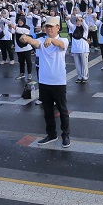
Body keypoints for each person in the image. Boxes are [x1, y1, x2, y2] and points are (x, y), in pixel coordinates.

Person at [19, 16, 70, 147]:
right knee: (47, 111)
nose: (48, 29)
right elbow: (35, 42)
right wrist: (26, 38)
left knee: (62, 110)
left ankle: (65, 135)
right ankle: (51, 134)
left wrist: (51, 40)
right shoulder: (41, 40)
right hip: (44, 81)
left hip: (58, 81)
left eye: (51, 27)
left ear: (58, 27)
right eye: (46, 26)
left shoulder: (63, 39)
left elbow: (62, 45)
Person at [68, 15, 90, 83]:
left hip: (83, 49)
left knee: (84, 64)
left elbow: (85, 25)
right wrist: (67, 19)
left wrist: (82, 20)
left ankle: (85, 76)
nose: (78, 23)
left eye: (79, 21)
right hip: (75, 49)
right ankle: (79, 76)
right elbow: (69, 24)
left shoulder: (85, 29)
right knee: (77, 64)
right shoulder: (73, 28)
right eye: (77, 21)